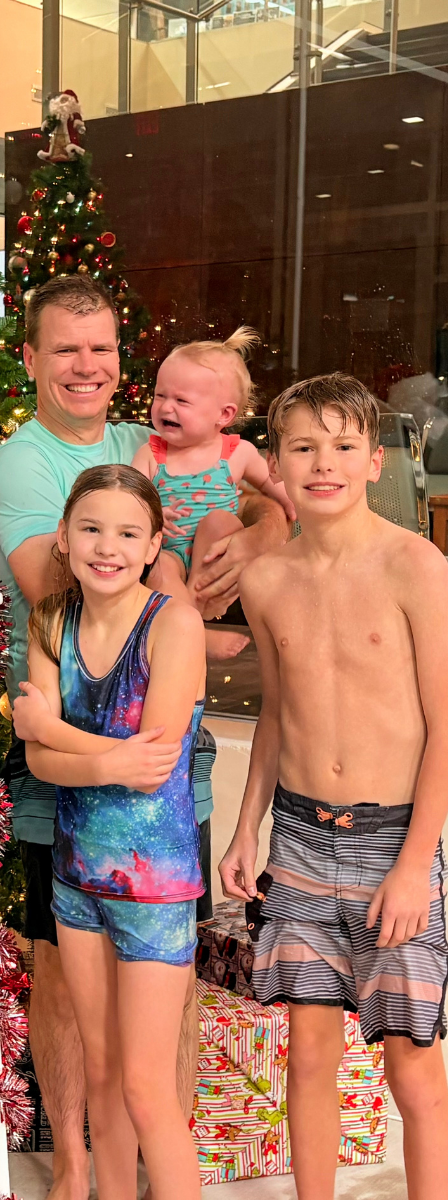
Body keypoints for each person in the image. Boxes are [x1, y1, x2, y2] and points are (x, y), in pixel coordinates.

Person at [0, 276, 288, 1200]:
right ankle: (75, 1162)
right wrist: (175, 592)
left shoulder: (145, 443)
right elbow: (68, 590)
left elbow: (249, 486)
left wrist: (254, 525)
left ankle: (166, 1163)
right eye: (66, 349)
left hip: (158, 767)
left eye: (103, 349)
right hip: (67, 736)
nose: (88, 366)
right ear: (32, 359)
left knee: (167, 971)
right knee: (63, 975)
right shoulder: (23, 465)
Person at [219, 373, 448, 1200]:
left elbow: (445, 726)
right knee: (307, 1054)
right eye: (304, 447)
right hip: (302, 838)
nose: (324, 464)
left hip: (396, 838)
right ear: (274, 463)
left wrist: (416, 862)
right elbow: (278, 713)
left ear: (372, 458)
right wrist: (248, 830)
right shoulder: (267, 580)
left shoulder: (415, 565)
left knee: (411, 1064)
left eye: (344, 446)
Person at [15, 464, 205, 1200]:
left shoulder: (174, 624)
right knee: (99, 1072)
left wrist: (59, 734)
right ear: (63, 537)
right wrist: (104, 756)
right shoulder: (51, 623)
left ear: (155, 543)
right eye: (91, 529)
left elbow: (153, 769)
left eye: (128, 533)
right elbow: (36, 760)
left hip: (154, 890)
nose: (107, 547)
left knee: (146, 1087)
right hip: (77, 881)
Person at [130, 327, 295, 659]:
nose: (165, 407)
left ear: (224, 415)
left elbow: (274, 483)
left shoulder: (238, 453)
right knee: (159, 567)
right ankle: (195, 629)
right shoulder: (151, 453)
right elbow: (130, 499)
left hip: (216, 551)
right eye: (160, 396)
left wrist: (293, 506)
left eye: (181, 400)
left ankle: (196, 596)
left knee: (220, 520)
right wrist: (152, 513)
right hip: (171, 548)